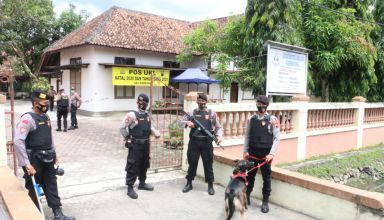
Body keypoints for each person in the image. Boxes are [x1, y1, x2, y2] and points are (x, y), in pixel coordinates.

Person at [13, 90, 75, 220]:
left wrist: (55, 154)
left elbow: (49, 137)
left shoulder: (45, 117)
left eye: (47, 102)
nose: (47, 104)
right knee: (34, 188)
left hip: (48, 157)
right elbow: (18, 141)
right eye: (44, 102)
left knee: (51, 184)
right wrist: (26, 163)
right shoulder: (27, 119)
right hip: (33, 160)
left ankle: (58, 214)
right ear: (36, 103)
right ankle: (34, 215)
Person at [179, 92, 223, 195]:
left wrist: (219, 137)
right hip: (194, 142)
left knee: (208, 165)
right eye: (199, 100)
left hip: (206, 142)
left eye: (203, 100)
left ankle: (210, 185)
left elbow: (218, 127)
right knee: (192, 163)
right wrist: (187, 123)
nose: (201, 102)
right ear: (196, 101)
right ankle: (189, 183)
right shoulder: (192, 113)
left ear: (206, 101)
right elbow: (180, 122)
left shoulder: (211, 113)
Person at [243, 95, 280, 213]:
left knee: (266, 179)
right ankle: (247, 196)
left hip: (266, 155)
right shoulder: (251, 119)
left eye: (262, 104)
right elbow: (247, 136)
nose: (260, 106)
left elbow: (276, 138)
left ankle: (265, 201)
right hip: (252, 153)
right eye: (258, 104)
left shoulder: (273, 119)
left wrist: (272, 154)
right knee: (249, 177)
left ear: (266, 105)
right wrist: (245, 150)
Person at [119, 93, 161, 199]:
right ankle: (130, 187)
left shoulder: (147, 115)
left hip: (146, 144)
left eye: (143, 102)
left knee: (144, 164)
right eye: (139, 101)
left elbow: (150, 127)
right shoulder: (132, 115)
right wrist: (128, 137)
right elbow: (122, 128)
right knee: (133, 165)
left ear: (147, 103)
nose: (141, 104)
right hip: (135, 145)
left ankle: (142, 183)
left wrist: (155, 133)